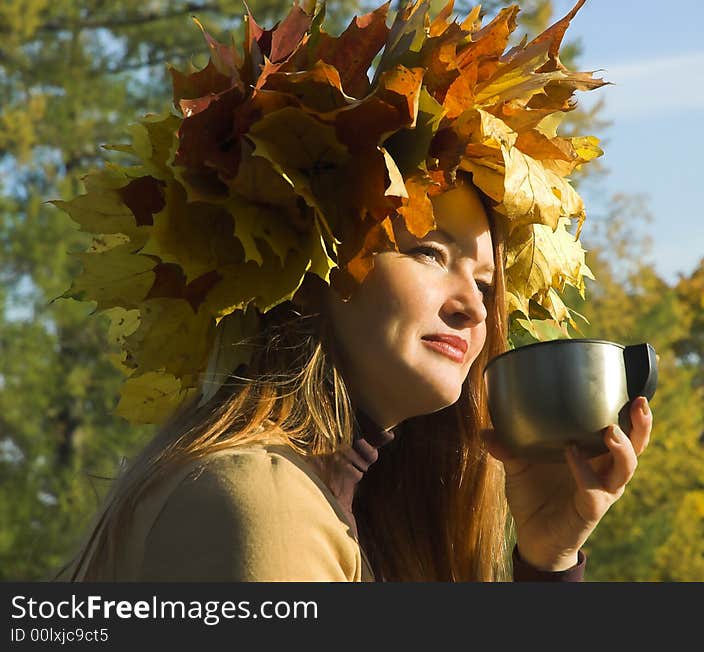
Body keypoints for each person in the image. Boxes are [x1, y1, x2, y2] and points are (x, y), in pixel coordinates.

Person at [54, 0, 652, 582]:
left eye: (486, 283)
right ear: (312, 266)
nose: (472, 306)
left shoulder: (340, 507)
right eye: (427, 252)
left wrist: (547, 560)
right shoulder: (266, 503)